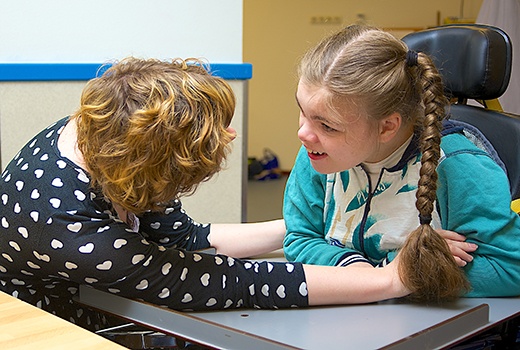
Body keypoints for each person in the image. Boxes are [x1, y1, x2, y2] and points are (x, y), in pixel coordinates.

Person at [0, 57, 409, 333]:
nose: (230, 135)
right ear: (154, 165)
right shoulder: (71, 230)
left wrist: (313, 225)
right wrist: (389, 280)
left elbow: (186, 240)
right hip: (49, 329)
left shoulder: (100, 131)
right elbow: (230, 282)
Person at [283, 25, 520, 301]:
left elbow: (510, 268)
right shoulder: (319, 153)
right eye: (303, 111)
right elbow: (299, 239)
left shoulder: (457, 165)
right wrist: (369, 275)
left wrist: (414, 268)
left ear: (387, 127)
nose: (304, 133)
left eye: (326, 125)